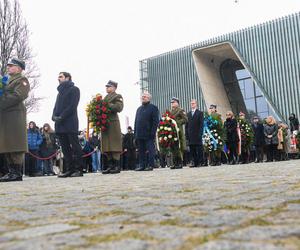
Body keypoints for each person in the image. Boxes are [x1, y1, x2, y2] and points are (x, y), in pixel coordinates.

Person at [0, 58, 30, 182]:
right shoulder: (6, 81)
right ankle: (11, 171)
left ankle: (16, 172)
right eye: (9, 66)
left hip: (15, 116)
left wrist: (1, 102)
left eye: (11, 66)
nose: (9, 67)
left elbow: (19, 95)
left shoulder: (22, 80)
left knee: (15, 144)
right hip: (6, 116)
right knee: (7, 144)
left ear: (19, 68)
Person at [52, 72, 83, 177]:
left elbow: (72, 106)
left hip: (70, 122)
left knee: (75, 146)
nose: (58, 78)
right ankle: (70, 169)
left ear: (67, 78)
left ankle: (79, 169)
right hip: (60, 124)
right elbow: (56, 106)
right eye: (58, 76)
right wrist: (53, 116)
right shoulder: (59, 93)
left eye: (61, 76)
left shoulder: (74, 89)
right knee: (65, 148)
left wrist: (62, 116)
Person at [101, 80, 124, 174]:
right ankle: (110, 166)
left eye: (109, 86)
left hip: (113, 123)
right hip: (105, 123)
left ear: (114, 88)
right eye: (106, 86)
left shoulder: (117, 96)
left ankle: (116, 166)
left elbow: (119, 108)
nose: (107, 88)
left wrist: (108, 105)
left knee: (114, 145)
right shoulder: (105, 97)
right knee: (107, 146)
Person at [134, 92, 159, 171]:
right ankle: (142, 165)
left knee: (150, 150)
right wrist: (135, 134)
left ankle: (150, 165)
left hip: (149, 133)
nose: (143, 97)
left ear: (149, 98)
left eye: (145, 96)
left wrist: (153, 132)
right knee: (141, 151)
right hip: (139, 134)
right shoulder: (139, 109)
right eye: (142, 96)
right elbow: (136, 122)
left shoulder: (153, 108)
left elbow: (155, 121)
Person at [170, 97, 188, 169]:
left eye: (173, 102)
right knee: (173, 147)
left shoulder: (180, 110)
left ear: (177, 103)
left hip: (178, 131)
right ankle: (175, 162)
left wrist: (177, 122)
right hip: (172, 132)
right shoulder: (170, 112)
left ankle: (180, 162)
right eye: (171, 103)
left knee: (179, 147)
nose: (172, 104)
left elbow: (185, 119)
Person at [185, 99, 204, 167]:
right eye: (191, 103)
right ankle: (195, 162)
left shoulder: (200, 113)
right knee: (192, 150)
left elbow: (201, 124)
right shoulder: (188, 114)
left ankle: (200, 162)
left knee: (199, 149)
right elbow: (186, 126)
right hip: (190, 135)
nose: (192, 104)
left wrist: (200, 133)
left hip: (197, 134)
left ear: (196, 104)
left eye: (193, 103)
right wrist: (186, 135)